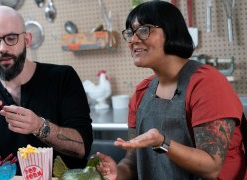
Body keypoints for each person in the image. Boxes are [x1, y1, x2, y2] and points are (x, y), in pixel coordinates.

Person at [97, 1, 246, 179]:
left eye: (144, 30)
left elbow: (211, 167)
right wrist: (117, 173)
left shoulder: (207, 84)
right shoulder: (141, 93)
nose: (133, 40)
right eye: (130, 33)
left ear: (170, 31)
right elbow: (133, 159)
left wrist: (161, 142)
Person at [0, 6, 93, 175]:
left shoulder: (63, 78)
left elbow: (81, 148)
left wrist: (39, 126)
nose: (2, 48)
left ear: (27, 40)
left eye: (11, 38)